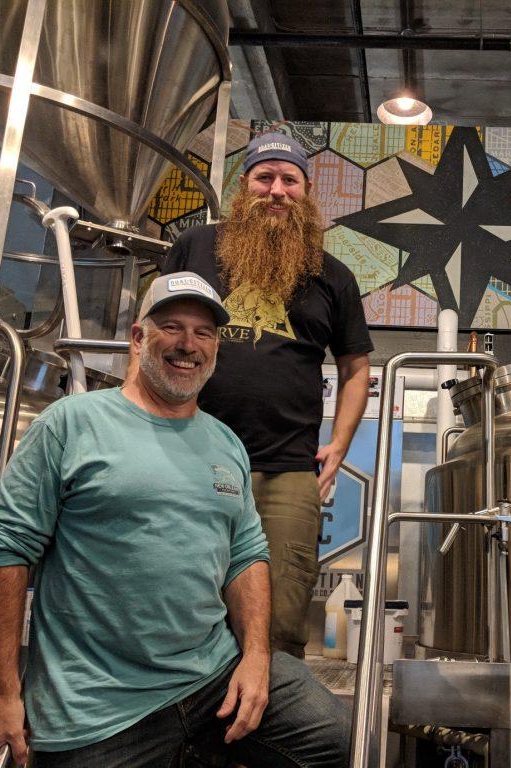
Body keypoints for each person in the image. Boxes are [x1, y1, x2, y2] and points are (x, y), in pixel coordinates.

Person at [0, 272, 350, 768]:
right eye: (171, 327)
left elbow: (246, 555)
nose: (188, 345)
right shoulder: (72, 423)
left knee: (332, 736)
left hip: (210, 677)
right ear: (138, 338)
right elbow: (5, 550)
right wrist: (5, 694)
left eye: (204, 333)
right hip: (97, 706)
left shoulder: (225, 443)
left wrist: (257, 656)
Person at [160, 131, 373, 658]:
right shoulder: (195, 248)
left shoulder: (334, 276)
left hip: (287, 470)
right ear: (244, 186)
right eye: (264, 177)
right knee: (177, 605)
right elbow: (151, 335)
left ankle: (265, 728)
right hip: (188, 457)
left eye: (289, 180)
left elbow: (356, 367)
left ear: (305, 191)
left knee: (277, 625)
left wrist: (340, 445)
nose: (276, 190)